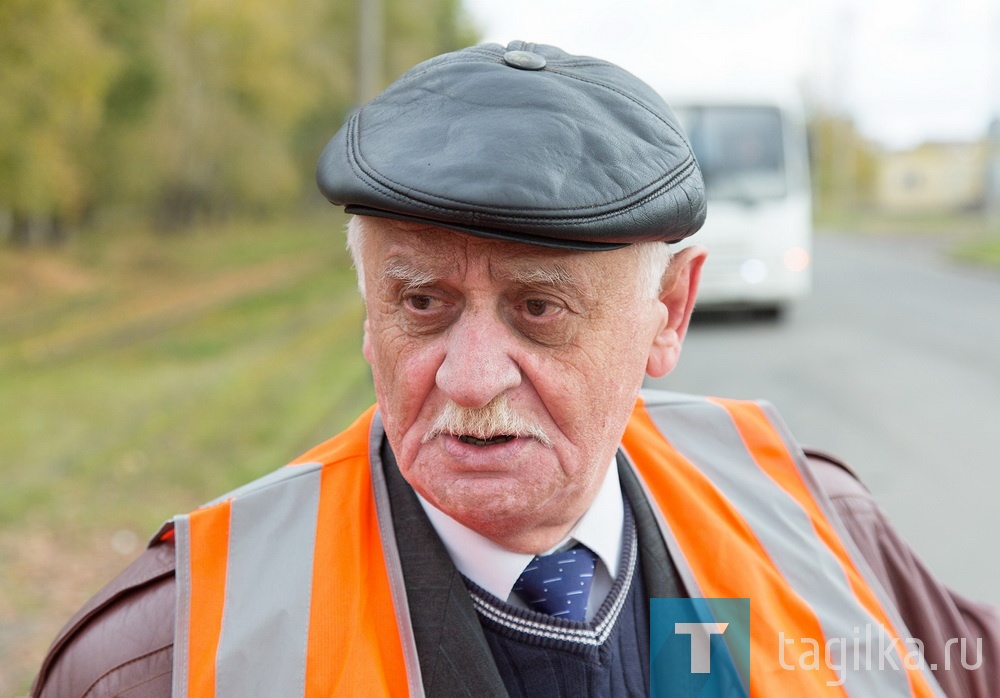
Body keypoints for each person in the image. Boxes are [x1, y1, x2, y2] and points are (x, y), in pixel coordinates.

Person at [32, 40, 998, 698]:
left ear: (668, 313)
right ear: (369, 312)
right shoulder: (168, 657)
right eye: (423, 303)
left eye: (538, 309)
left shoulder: (821, 530)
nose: (469, 377)